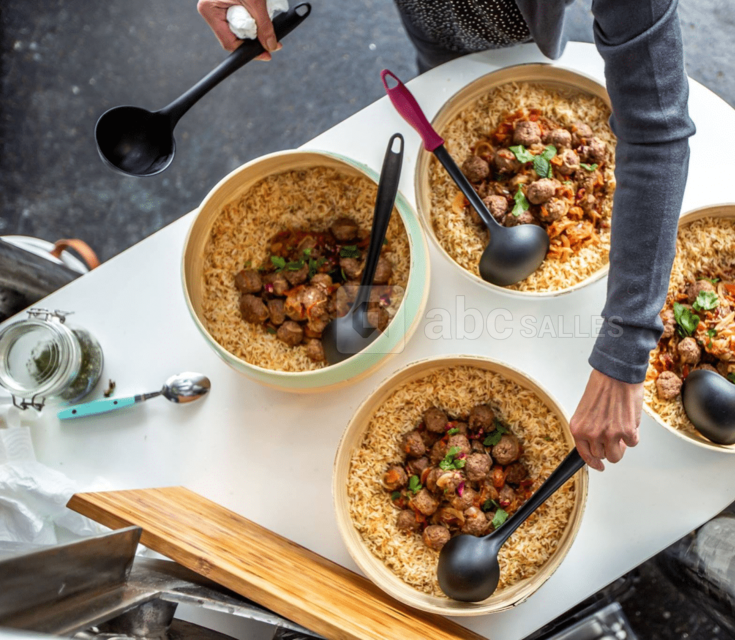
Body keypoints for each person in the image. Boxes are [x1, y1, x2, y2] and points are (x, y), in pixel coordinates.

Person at [197, 0, 696, 471]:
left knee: (480, 44)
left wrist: (625, 346)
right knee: (439, 54)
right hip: (431, 19)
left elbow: (655, 130)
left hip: (507, 19)